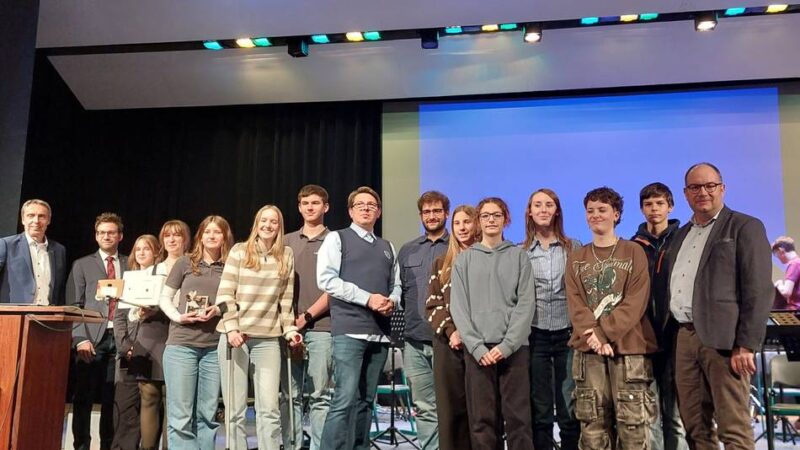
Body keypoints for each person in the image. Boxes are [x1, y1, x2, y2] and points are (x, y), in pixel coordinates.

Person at [665, 163, 773, 450]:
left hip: (725, 342)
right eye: (695, 187)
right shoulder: (680, 234)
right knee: (695, 428)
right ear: (686, 194)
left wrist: (746, 344)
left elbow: (759, 290)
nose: (703, 192)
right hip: (685, 338)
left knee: (733, 428)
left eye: (710, 185)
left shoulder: (744, 226)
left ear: (722, 188)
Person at [566, 187, 658, 450]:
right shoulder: (577, 257)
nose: (596, 215)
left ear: (616, 214)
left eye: (602, 210)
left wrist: (605, 333)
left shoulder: (633, 251)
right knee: (592, 424)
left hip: (629, 349)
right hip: (588, 350)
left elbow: (636, 299)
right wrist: (594, 337)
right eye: (590, 211)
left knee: (633, 425)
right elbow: (575, 302)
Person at [317, 186, 401, 450]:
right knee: (344, 398)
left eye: (372, 205)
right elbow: (327, 280)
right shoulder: (337, 239)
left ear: (379, 212)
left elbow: (396, 284)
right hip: (350, 331)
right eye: (360, 204)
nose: (366, 208)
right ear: (351, 211)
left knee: (367, 400)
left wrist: (392, 301)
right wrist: (368, 298)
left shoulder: (387, 246)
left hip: (379, 333)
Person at [212, 205, 301, 450]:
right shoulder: (240, 251)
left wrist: (290, 329)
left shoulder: (286, 254)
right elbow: (225, 293)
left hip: (269, 339)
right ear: (256, 223)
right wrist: (231, 329)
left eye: (274, 221)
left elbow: (285, 299)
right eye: (264, 220)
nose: (268, 225)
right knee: (235, 409)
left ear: (279, 226)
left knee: (269, 409)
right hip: (235, 337)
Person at [450, 197, 536, 450]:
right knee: (482, 420)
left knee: (518, 419)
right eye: (485, 215)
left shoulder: (519, 257)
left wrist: (508, 345)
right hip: (478, 351)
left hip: (513, 349)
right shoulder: (464, 261)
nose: (490, 220)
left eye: (496, 215)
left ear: (506, 219)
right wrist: (477, 347)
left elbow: (526, 304)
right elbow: (459, 308)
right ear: (479, 220)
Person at [158, 215, 234, 450]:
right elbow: (165, 298)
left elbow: (236, 301)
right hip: (182, 345)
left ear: (225, 237)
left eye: (217, 232)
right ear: (200, 236)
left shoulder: (232, 265)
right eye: (207, 231)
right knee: (180, 416)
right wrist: (179, 316)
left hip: (214, 347)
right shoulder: (185, 263)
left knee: (208, 417)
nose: (212, 236)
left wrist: (218, 310)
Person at [522, 188, 581, 450]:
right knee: (541, 406)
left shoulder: (573, 247)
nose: (543, 209)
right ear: (530, 212)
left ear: (556, 210)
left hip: (568, 334)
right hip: (536, 335)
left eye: (548, 205)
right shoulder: (521, 252)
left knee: (569, 405)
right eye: (538, 205)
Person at [631, 182, 687, 450]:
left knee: (676, 414)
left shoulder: (685, 240)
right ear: (642, 209)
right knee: (649, 413)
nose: (654, 209)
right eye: (648, 204)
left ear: (670, 206)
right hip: (644, 339)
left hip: (676, 336)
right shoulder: (633, 246)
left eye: (659, 203)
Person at [129, 220, 192, 450]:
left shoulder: (193, 267)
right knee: (149, 396)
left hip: (181, 333)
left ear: (186, 238)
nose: (172, 240)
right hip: (151, 334)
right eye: (167, 236)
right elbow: (131, 311)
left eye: (177, 235)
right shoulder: (151, 270)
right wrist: (140, 310)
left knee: (174, 399)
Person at [67, 212, 128, 450]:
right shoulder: (82, 264)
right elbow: (74, 305)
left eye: (111, 232)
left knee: (113, 399)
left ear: (120, 236)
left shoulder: (129, 263)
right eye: (102, 232)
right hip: (91, 339)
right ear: (96, 235)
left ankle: (108, 446)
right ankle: (81, 445)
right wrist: (80, 338)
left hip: (120, 337)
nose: (106, 236)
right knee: (83, 397)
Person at [398, 190, 451, 450]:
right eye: (427, 212)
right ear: (421, 215)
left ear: (446, 214)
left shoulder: (459, 246)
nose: (432, 216)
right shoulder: (407, 250)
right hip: (414, 341)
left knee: (451, 404)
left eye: (437, 211)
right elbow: (400, 291)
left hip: (449, 340)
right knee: (425, 406)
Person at [282, 184, 334, 450]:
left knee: (320, 396)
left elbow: (335, 288)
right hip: (287, 328)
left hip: (322, 327)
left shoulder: (336, 240)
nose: (310, 207)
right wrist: (290, 322)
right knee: (289, 395)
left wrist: (307, 316)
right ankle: (291, 445)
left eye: (315, 203)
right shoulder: (286, 241)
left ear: (326, 207)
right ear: (299, 207)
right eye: (305, 203)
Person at [425, 204, 479, 450]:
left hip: (481, 344)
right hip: (449, 345)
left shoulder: (488, 258)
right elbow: (433, 304)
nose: (462, 227)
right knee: (450, 412)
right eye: (457, 223)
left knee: (479, 410)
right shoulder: (440, 263)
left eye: (467, 222)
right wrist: (451, 331)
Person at [112, 234, 159, 450]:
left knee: (150, 403)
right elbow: (119, 317)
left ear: (157, 252)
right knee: (126, 406)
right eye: (137, 248)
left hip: (150, 349)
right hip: (128, 352)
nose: (141, 252)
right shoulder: (128, 279)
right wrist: (125, 346)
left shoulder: (162, 280)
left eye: (146, 248)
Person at [0, 199, 67, 305]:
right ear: (23, 219)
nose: (36, 221)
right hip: (14, 317)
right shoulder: (6, 245)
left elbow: (59, 290)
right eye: (31, 215)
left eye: (42, 216)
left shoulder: (59, 250)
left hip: (47, 317)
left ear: (48, 220)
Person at [772, 236, 800, 310]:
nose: (777, 257)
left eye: (776, 253)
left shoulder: (793, 264)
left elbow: (786, 292)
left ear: (781, 250)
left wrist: (779, 283)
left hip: (795, 312)